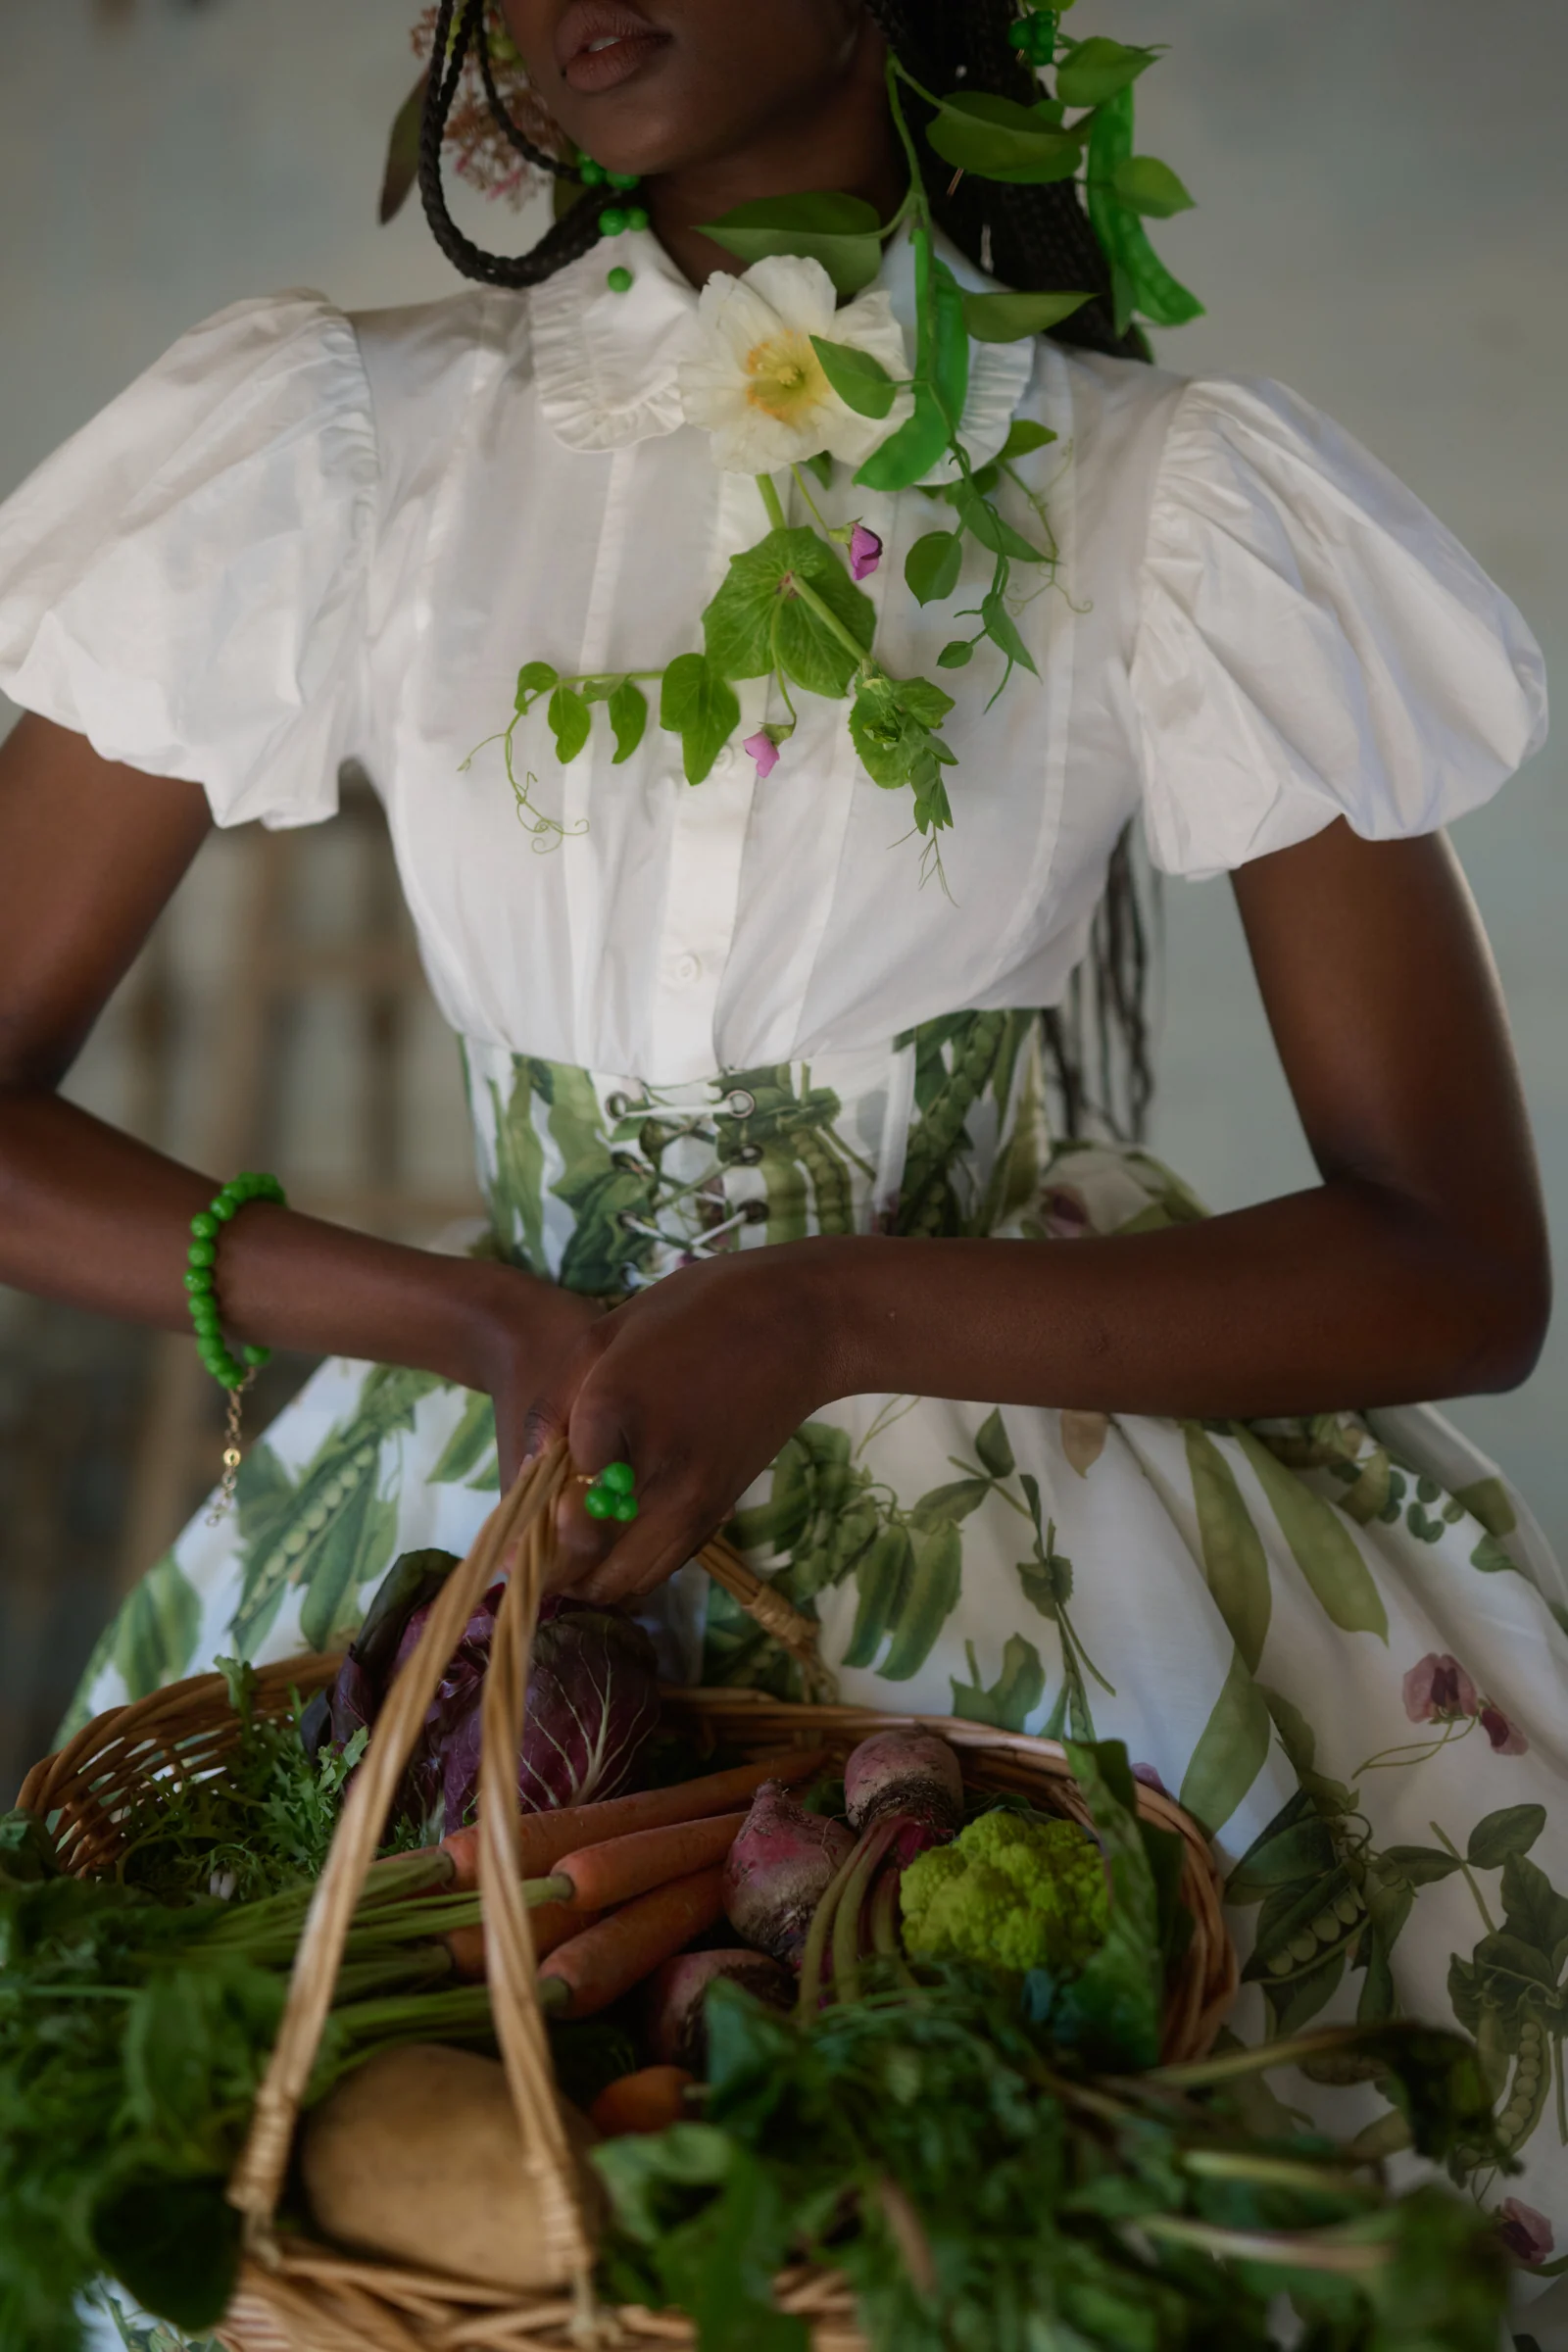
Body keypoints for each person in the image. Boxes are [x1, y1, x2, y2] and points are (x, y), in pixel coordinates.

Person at [0, 0, 1563, 2325]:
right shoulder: (340, 451)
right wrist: (463, 1314)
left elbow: (1453, 1267)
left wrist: (827, 1313)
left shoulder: (1167, 491)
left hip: (1056, 1619)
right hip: (481, 1534)